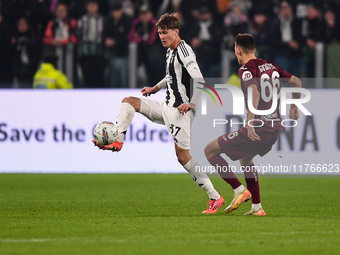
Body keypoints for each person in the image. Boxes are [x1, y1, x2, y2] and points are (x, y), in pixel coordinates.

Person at [93, 13, 224, 214]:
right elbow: (171, 76)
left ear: (176, 31)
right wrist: (155, 88)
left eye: (165, 33)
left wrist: (192, 103)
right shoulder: (170, 51)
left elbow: (199, 79)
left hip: (180, 111)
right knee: (129, 102)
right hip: (166, 106)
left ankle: (215, 197)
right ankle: (118, 139)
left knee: (183, 157)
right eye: (159, 33)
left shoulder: (184, 51)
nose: (161, 36)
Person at [204, 33, 302, 216]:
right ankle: (257, 207)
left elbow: (254, 92)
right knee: (246, 159)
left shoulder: (246, 70)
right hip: (275, 129)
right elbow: (296, 82)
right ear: (254, 49)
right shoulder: (272, 66)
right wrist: (294, 106)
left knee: (210, 150)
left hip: (259, 128)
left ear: (238, 50)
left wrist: (250, 124)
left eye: (235, 50)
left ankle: (239, 190)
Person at [77, 0, 105, 88]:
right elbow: (78, 35)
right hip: (86, 52)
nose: (92, 8)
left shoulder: (102, 20)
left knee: (99, 77)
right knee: (87, 76)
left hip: (98, 52)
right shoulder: (82, 20)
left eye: (94, 6)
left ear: (97, 7)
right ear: (86, 7)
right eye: (90, 6)